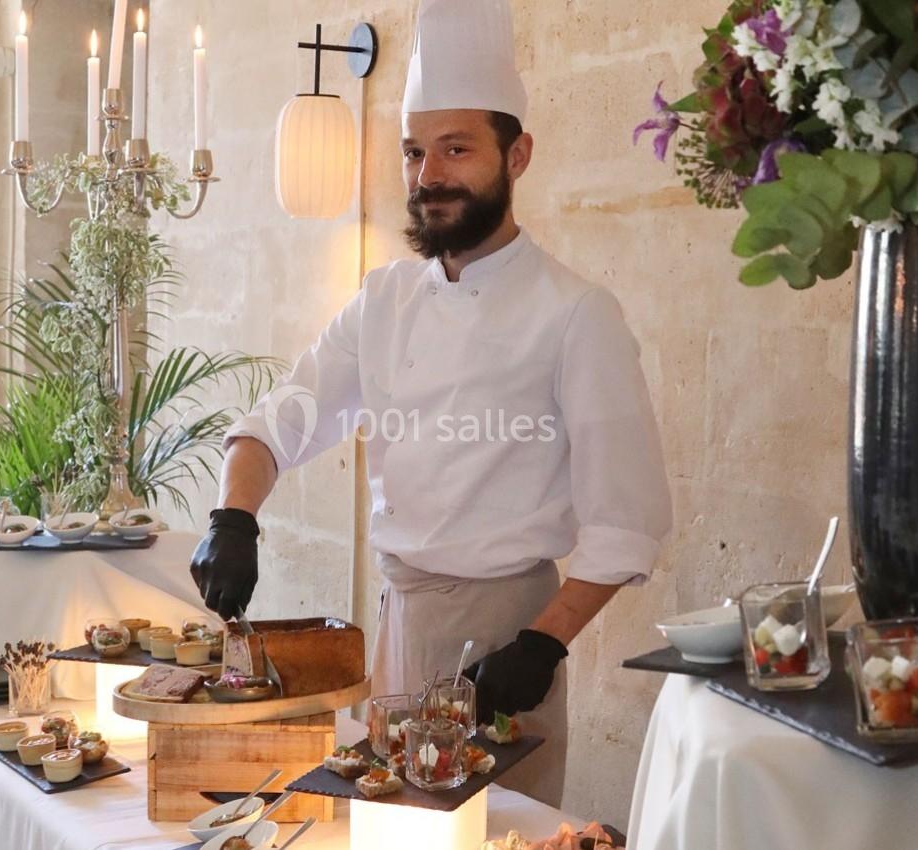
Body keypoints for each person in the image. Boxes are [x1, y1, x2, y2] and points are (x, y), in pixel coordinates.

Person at [190, 0, 671, 807]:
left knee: (491, 833)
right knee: (387, 827)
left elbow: (629, 518)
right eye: (415, 152)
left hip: (505, 641)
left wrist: (541, 646)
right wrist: (233, 517)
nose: (428, 176)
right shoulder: (382, 299)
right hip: (400, 614)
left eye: (456, 149)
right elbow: (281, 418)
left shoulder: (575, 312)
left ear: (517, 154)